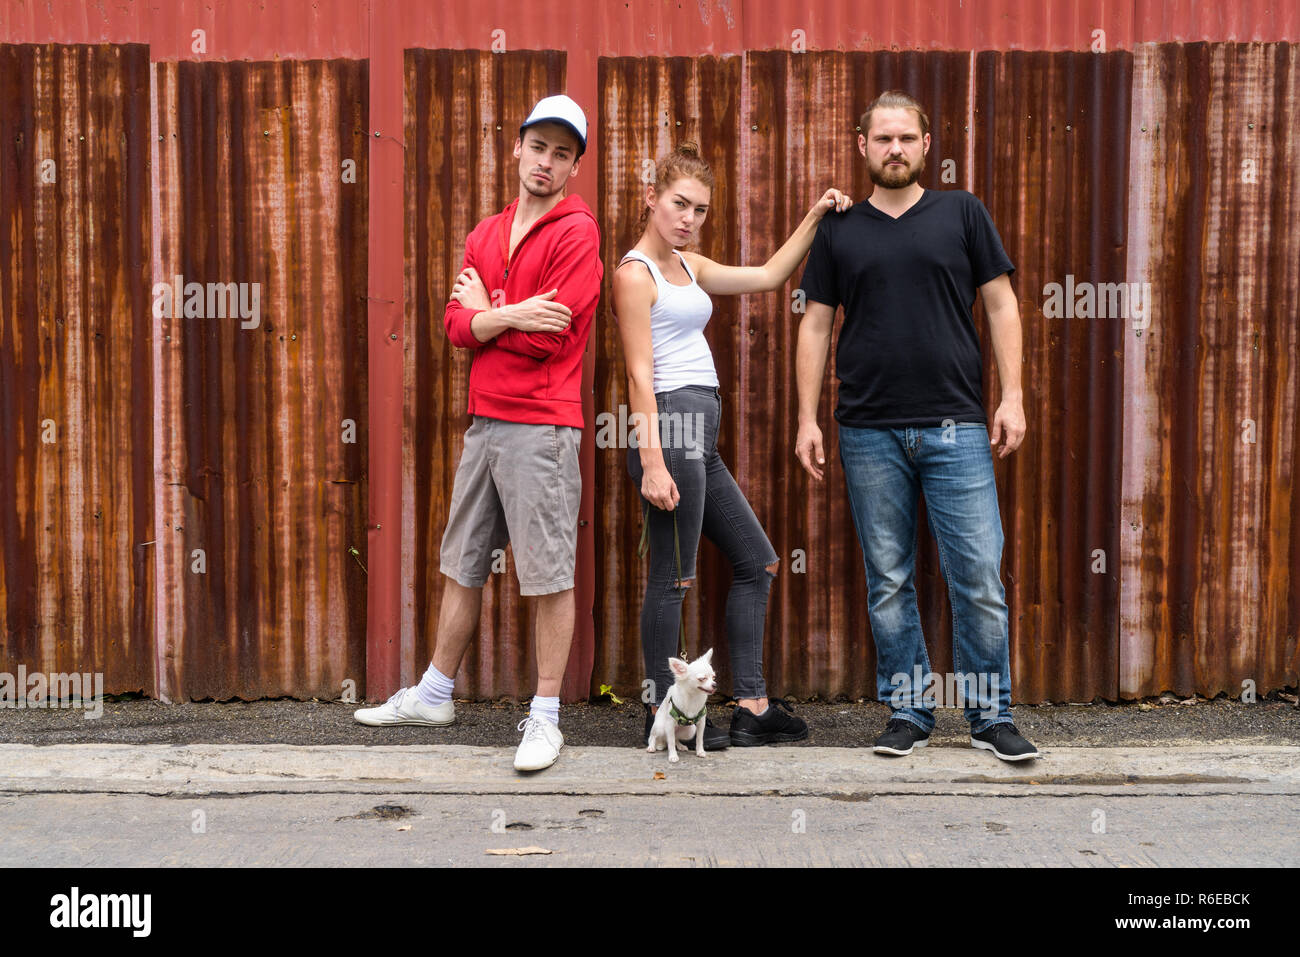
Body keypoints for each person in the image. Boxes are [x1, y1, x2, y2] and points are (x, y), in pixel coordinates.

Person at [354, 94, 602, 773]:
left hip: (543, 428)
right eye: (539, 147)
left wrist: (493, 312)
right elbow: (454, 326)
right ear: (516, 148)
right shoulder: (484, 235)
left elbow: (549, 344)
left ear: (574, 166)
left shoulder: (578, 234)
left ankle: (546, 719)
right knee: (461, 560)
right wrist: (505, 316)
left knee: (547, 573)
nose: (546, 162)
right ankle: (435, 692)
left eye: (562, 153)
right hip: (486, 421)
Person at [794, 90, 1038, 762]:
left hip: (955, 425)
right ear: (863, 144)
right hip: (867, 428)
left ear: (927, 145)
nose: (894, 150)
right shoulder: (840, 230)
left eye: (906, 138)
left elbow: (1002, 304)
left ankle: (991, 717)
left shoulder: (961, 213)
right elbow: (815, 323)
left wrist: (1011, 396)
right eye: (882, 139)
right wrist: (805, 417)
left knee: (978, 574)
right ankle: (909, 709)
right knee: (890, 579)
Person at [613, 142, 850, 749]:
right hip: (671, 429)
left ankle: (750, 704)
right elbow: (639, 375)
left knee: (757, 561)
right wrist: (651, 463)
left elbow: (771, 274)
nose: (689, 218)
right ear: (651, 199)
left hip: (702, 436)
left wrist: (816, 215)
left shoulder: (690, 266)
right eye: (678, 204)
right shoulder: (633, 274)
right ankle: (661, 716)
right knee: (673, 578)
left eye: (700, 209)